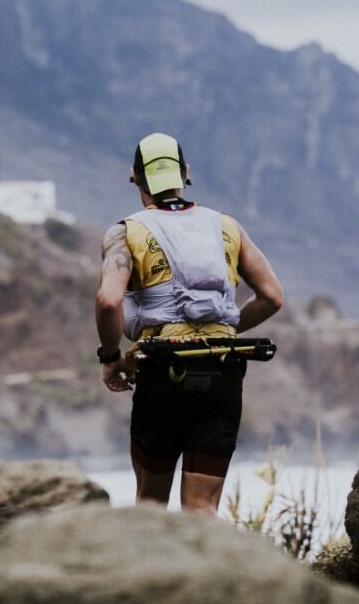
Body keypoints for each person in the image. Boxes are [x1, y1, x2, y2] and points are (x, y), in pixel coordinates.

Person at [95, 132, 284, 514]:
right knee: (202, 508)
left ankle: (152, 576)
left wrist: (111, 356)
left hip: (163, 369)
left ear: (135, 177)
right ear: (185, 174)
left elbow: (108, 299)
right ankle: (215, 576)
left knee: (150, 504)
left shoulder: (125, 232)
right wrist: (223, 330)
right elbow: (272, 297)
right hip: (223, 368)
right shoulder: (227, 226)